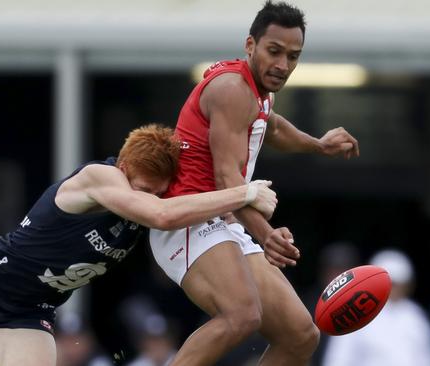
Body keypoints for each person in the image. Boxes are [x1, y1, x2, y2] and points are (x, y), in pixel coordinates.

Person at [0, 124, 277, 366]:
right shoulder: (102, 178)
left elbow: (186, 208)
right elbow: (161, 215)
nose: (149, 200)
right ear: (125, 167)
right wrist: (246, 191)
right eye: (143, 188)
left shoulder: (154, 196)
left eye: (158, 191)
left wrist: (264, 230)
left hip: (28, 311)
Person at [148, 1, 360, 365]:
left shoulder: (258, 91)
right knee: (242, 315)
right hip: (189, 221)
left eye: (293, 56)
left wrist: (318, 144)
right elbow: (227, 178)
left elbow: (272, 125)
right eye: (274, 51)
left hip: (224, 221)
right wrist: (266, 234)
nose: (283, 65)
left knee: (301, 335)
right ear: (251, 45)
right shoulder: (232, 89)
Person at [321, 249, 430, 366]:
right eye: (391, 283)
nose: (395, 289)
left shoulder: (415, 314)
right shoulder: (358, 312)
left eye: (399, 283)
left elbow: (428, 357)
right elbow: (338, 359)